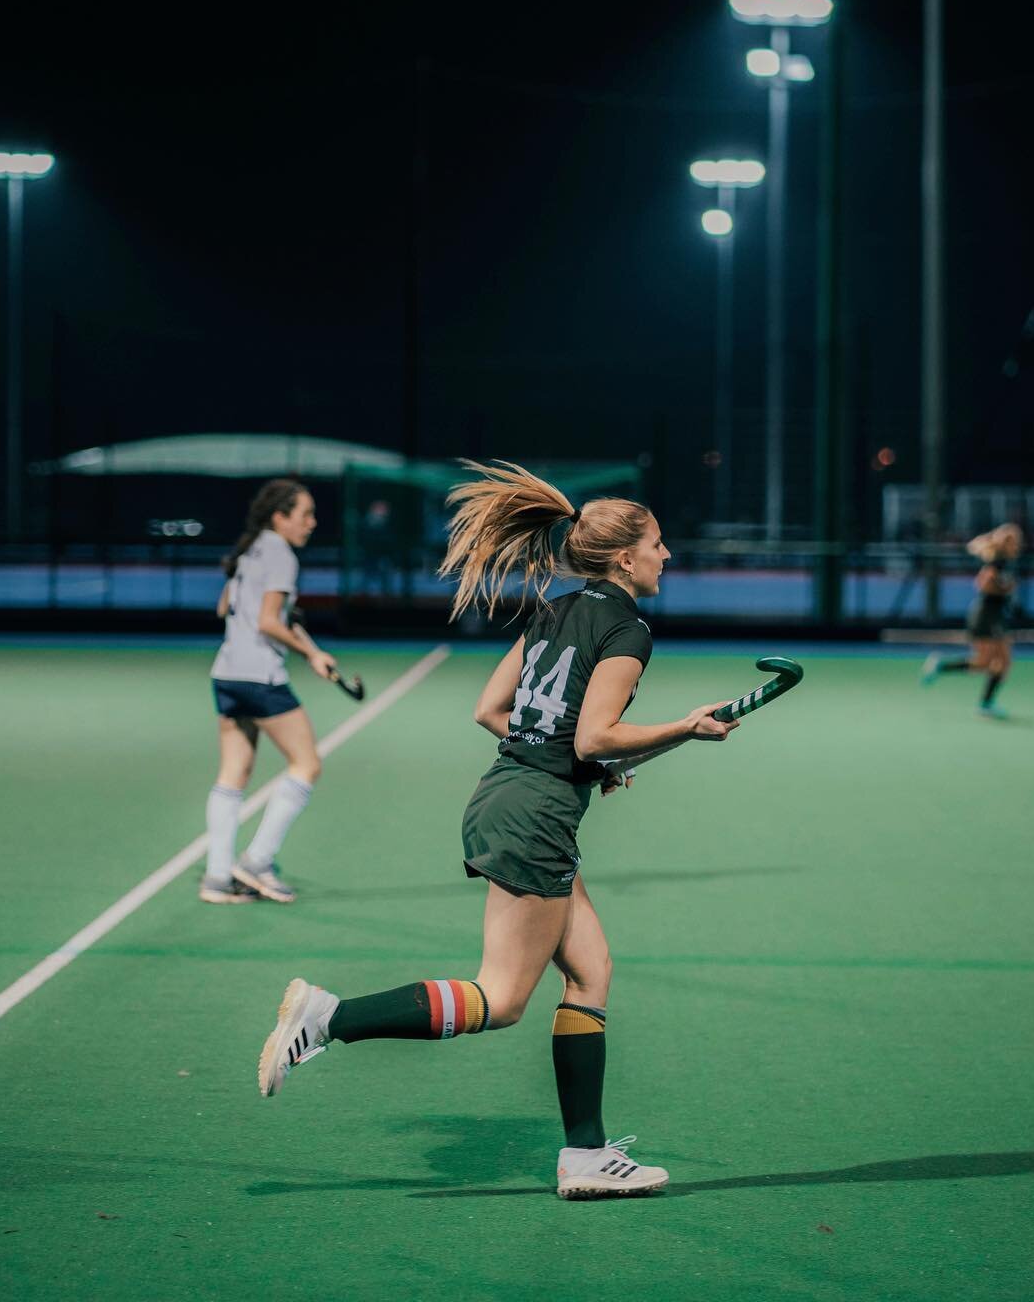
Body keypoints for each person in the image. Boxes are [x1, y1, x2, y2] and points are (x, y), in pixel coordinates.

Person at [255, 461, 738, 1198]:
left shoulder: (551, 611)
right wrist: (684, 727)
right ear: (625, 556)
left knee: (590, 972)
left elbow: (491, 710)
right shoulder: (628, 629)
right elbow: (592, 738)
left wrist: (603, 763)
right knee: (503, 997)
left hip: (511, 794)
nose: (667, 555)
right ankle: (330, 1018)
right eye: (660, 544)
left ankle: (586, 1157)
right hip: (535, 811)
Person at [201, 478, 339, 904]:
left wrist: (313, 652)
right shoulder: (281, 553)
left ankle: (218, 878)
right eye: (305, 515)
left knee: (233, 774)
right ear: (280, 517)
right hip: (260, 676)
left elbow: (226, 607)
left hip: (226, 673)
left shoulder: (252, 548)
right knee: (307, 763)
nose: (312, 523)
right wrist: (307, 653)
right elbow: (268, 622)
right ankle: (258, 860)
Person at [921, 522, 1024, 718]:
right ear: (1005, 543)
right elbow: (983, 585)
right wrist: (1005, 589)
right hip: (985, 617)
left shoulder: (1005, 563)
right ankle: (942, 666)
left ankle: (986, 703)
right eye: (1014, 541)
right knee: (985, 663)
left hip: (996, 617)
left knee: (1004, 662)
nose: (1017, 545)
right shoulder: (996, 563)